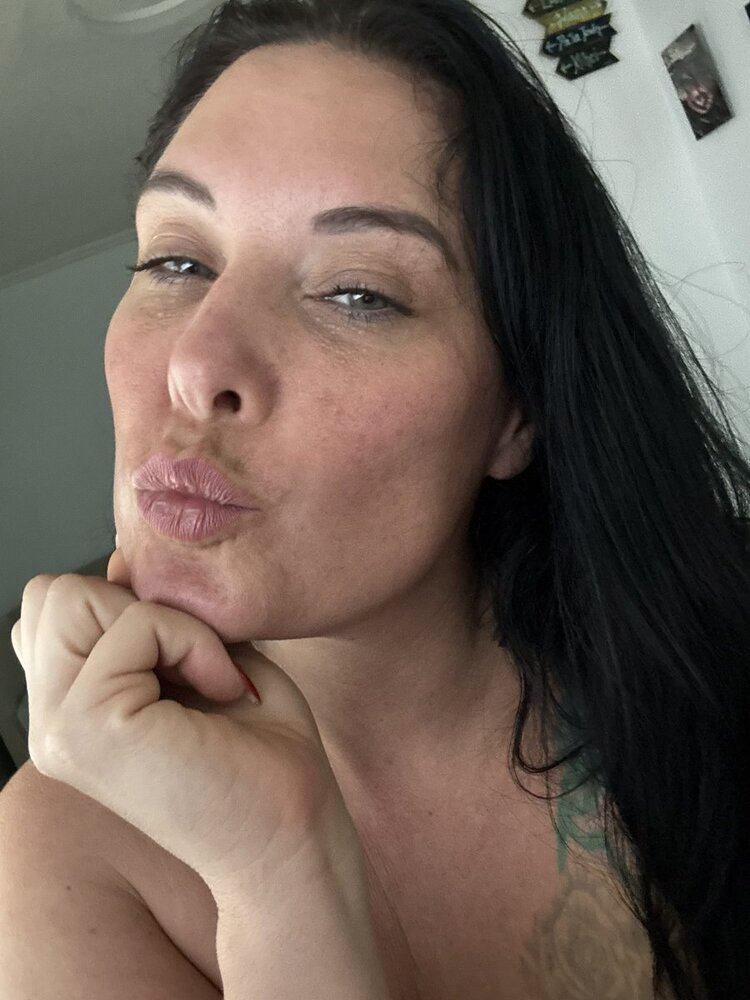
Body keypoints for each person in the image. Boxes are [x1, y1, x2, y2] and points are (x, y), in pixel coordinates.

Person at [2, 1, 749, 997]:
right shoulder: (61, 848)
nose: (197, 364)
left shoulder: (717, 647)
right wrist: (276, 876)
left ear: (515, 414)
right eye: (177, 260)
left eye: (357, 291)